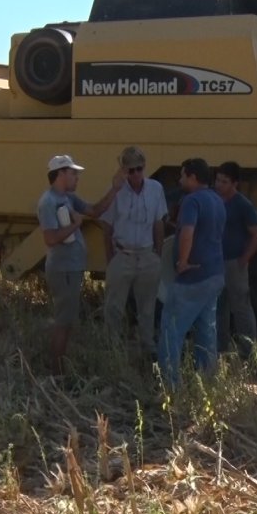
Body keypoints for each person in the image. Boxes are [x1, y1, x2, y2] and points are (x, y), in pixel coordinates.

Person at [37, 154, 124, 372]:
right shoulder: (48, 202)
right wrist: (76, 225)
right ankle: (56, 370)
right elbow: (50, 238)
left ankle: (59, 363)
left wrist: (114, 189)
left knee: (66, 319)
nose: (78, 177)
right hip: (63, 269)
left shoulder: (67, 198)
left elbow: (95, 211)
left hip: (72, 268)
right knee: (63, 320)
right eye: (73, 173)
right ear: (60, 174)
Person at [157, 158, 226, 385]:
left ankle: (170, 385)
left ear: (193, 178)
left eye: (183, 175)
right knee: (206, 330)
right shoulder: (217, 200)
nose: (180, 180)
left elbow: (188, 231)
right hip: (214, 273)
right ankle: (207, 381)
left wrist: (183, 262)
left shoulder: (191, 200)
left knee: (171, 329)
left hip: (193, 276)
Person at [100, 146, 167, 357]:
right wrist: (111, 259)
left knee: (147, 308)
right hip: (123, 254)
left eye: (139, 169)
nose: (136, 174)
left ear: (144, 167)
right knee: (114, 307)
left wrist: (158, 252)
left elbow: (159, 222)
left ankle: (148, 347)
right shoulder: (116, 192)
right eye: (131, 170)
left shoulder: (155, 188)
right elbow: (107, 227)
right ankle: (113, 349)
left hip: (147, 255)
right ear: (124, 171)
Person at [214, 162, 257, 355]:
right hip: (215, 263)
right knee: (219, 308)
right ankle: (220, 349)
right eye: (217, 180)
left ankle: (249, 351)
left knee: (241, 308)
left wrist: (244, 259)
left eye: (224, 181)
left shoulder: (243, 205)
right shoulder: (213, 200)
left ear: (235, 183)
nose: (219, 185)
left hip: (234, 263)